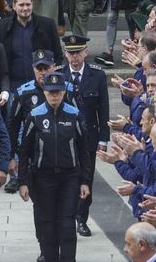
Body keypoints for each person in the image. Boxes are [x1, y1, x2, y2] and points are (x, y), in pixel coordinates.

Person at [18, 72, 92, 262]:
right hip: (43, 178)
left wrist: (85, 181)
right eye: (50, 93)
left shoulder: (74, 115)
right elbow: (24, 151)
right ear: (44, 92)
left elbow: (84, 150)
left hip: (70, 177)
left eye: (58, 92)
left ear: (64, 92)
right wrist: (23, 182)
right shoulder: (34, 116)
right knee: (47, 226)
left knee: (67, 225)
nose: (54, 96)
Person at [60, 34, 109, 237]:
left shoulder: (97, 76)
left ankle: (82, 218)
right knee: (66, 178)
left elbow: (103, 110)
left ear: (85, 52)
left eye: (78, 52)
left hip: (89, 137)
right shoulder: (59, 76)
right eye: (71, 53)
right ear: (65, 54)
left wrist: (104, 139)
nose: (74, 57)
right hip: (65, 139)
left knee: (86, 178)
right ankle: (67, 216)